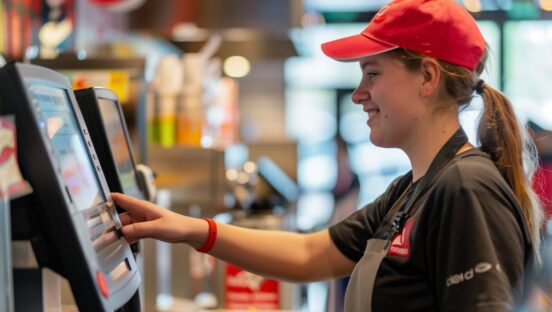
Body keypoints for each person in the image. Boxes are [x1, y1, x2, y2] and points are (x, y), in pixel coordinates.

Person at [111, 0, 543, 310]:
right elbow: (310, 255)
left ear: (427, 77)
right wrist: (188, 230)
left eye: (372, 74)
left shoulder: (466, 189)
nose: (359, 95)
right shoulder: (411, 191)